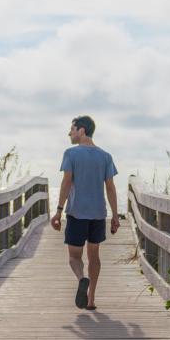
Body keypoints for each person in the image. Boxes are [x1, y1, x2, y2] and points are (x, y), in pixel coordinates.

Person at [51, 115, 120, 310]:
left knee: (74, 256)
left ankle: (82, 278)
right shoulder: (106, 156)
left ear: (81, 130)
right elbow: (110, 187)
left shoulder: (71, 154)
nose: (69, 133)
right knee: (94, 257)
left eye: (72, 129)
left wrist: (58, 211)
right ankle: (91, 300)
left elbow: (66, 182)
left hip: (77, 213)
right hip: (98, 214)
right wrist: (115, 215)